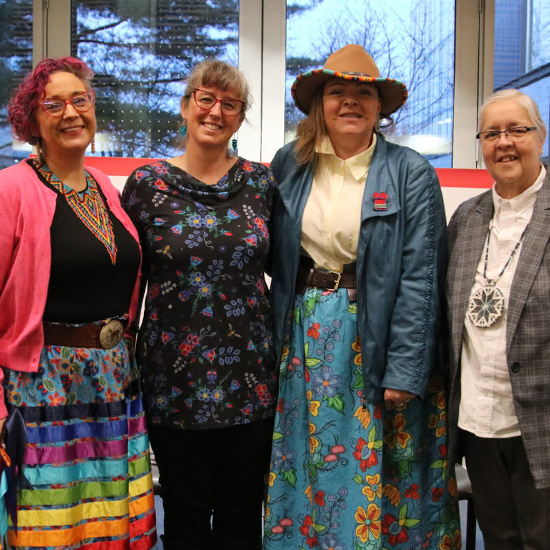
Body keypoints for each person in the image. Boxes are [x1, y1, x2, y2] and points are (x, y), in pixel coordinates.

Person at [263, 44, 460, 549]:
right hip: (306, 342)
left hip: (377, 338)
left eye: (363, 93)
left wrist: (405, 369)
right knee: (310, 462)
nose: (350, 102)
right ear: (320, 105)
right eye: (337, 92)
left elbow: (422, 276)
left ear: (380, 108)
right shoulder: (290, 164)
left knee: (383, 471)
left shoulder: (410, 171)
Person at [0, 57, 157, 549]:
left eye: (80, 100)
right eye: (54, 104)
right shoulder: (11, 190)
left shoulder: (105, 190)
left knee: (108, 519)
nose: (71, 112)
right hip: (44, 387)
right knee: (54, 525)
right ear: (32, 120)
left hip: (112, 379)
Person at [122, 60, 277, 550]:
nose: (216, 111)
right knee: (185, 512)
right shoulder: (147, 184)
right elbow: (126, 277)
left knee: (241, 511)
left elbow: (291, 265)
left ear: (240, 116)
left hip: (250, 375)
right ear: (186, 105)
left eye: (230, 104)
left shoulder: (263, 183)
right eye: (205, 99)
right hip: (173, 374)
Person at [446, 89, 550, 549]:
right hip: (478, 424)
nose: (504, 142)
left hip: (541, 424)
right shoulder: (466, 220)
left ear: (540, 137)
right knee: (500, 539)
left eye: (517, 130)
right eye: (492, 133)